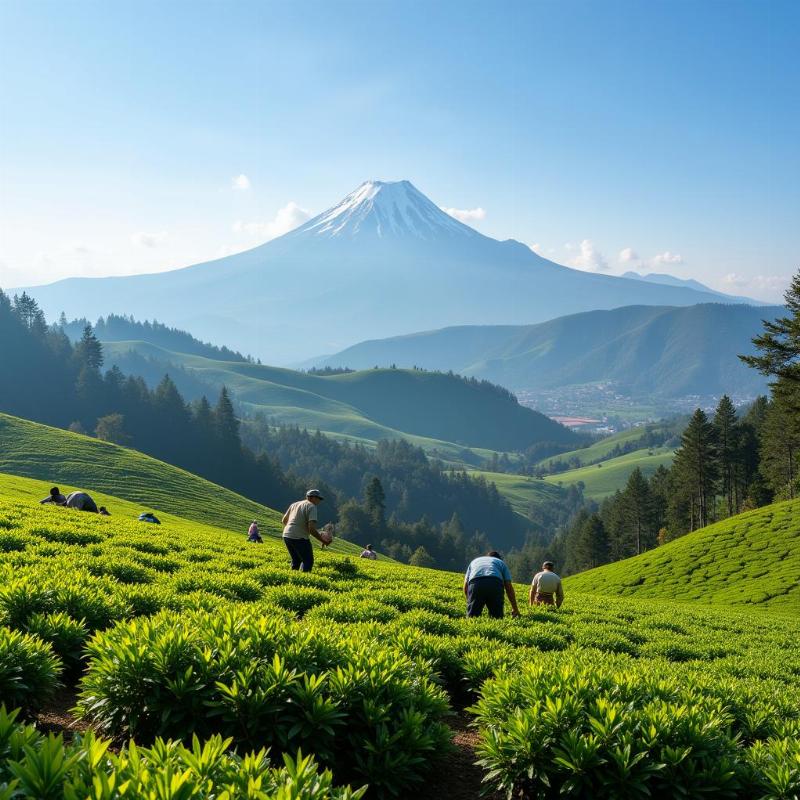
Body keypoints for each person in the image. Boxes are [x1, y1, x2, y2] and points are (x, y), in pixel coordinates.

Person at [282, 489, 329, 571]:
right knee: (308, 561)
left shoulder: (295, 504)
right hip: (299, 537)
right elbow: (311, 529)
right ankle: (304, 579)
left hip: (287, 535)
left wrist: (294, 528)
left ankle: (293, 579)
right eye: (318, 498)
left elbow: (284, 520)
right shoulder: (312, 506)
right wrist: (323, 540)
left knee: (296, 560)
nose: (319, 501)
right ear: (313, 498)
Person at [464, 551, 520, 619]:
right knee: (497, 618)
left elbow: (466, 586)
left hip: (476, 583)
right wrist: (515, 609)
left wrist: (470, 601)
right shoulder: (501, 562)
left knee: (472, 618)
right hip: (494, 583)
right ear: (499, 558)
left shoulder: (474, 561)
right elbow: (509, 587)